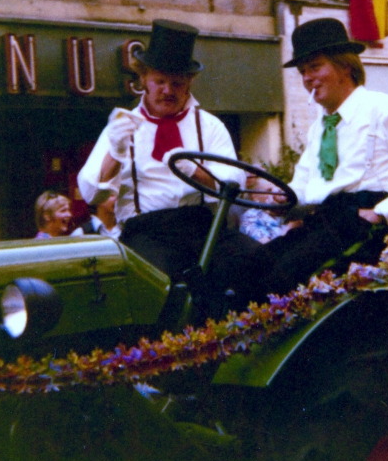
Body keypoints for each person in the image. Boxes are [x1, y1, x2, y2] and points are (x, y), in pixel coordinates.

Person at [77, 19, 274, 312]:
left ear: (189, 83)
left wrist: (193, 169)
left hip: (200, 226)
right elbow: (92, 194)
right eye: (160, 81)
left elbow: (232, 186)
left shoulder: (208, 126)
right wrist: (115, 152)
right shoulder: (121, 124)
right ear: (144, 79)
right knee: (162, 287)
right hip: (146, 230)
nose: (168, 90)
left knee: (260, 263)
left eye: (177, 83)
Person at [264, 18, 388, 287]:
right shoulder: (319, 128)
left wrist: (383, 212)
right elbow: (306, 188)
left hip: (371, 228)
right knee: (255, 267)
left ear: (344, 65)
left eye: (315, 67)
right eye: (302, 71)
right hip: (327, 224)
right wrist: (283, 201)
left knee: (282, 277)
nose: (307, 78)